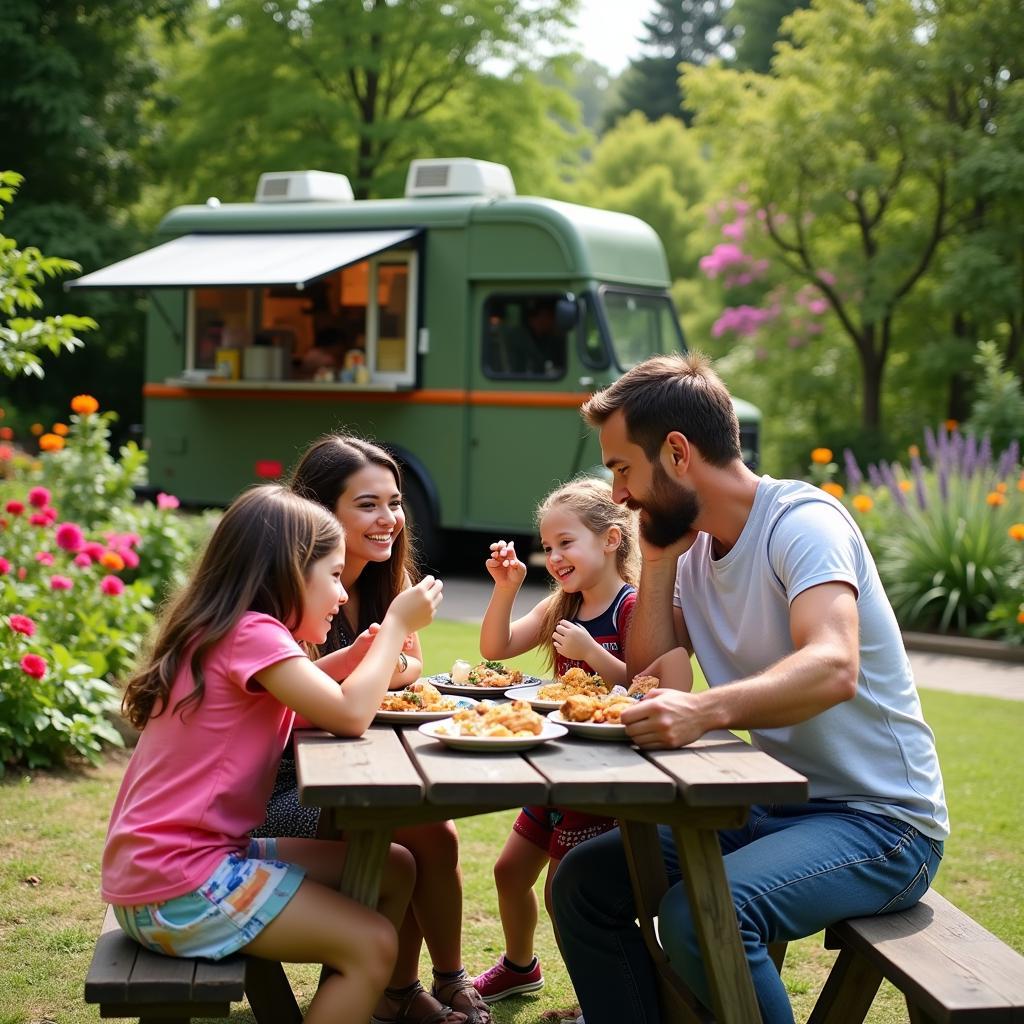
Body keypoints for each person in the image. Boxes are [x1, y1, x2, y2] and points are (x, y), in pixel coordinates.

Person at [550, 353, 949, 1024]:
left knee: (708, 914)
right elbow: (650, 665)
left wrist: (705, 708)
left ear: (677, 453)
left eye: (622, 468)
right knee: (583, 883)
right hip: (772, 806)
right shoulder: (695, 549)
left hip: (881, 822)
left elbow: (833, 665)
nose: (617, 494)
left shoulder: (803, 523)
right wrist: (654, 560)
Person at [101, 485, 444, 1024]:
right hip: (178, 882)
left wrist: (352, 659)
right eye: (332, 576)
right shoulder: (253, 634)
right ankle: (362, 977)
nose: (340, 593)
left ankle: (361, 999)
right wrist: (395, 627)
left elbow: (310, 709)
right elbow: (349, 715)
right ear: (286, 573)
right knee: (373, 944)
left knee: (393, 868)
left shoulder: (231, 632)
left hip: (169, 868)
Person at [252, 434, 490, 1024]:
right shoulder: (295, 594)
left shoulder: (386, 583)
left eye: (395, 502)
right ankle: (399, 992)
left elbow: (409, 668)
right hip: (280, 790)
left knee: (436, 833)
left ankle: (443, 978)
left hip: (352, 756)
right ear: (318, 511)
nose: (388, 520)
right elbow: (336, 696)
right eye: (367, 504)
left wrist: (381, 661)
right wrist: (383, 659)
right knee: (407, 831)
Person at [471, 478, 640, 1004]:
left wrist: (593, 653)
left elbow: (644, 683)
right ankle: (520, 966)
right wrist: (505, 588)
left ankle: (602, 999)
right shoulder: (561, 605)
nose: (554, 557)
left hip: (601, 777)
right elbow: (496, 646)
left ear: (611, 539)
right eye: (547, 547)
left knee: (561, 892)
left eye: (566, 543)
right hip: (554, 768)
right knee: (507, 872)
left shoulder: (631, 607)